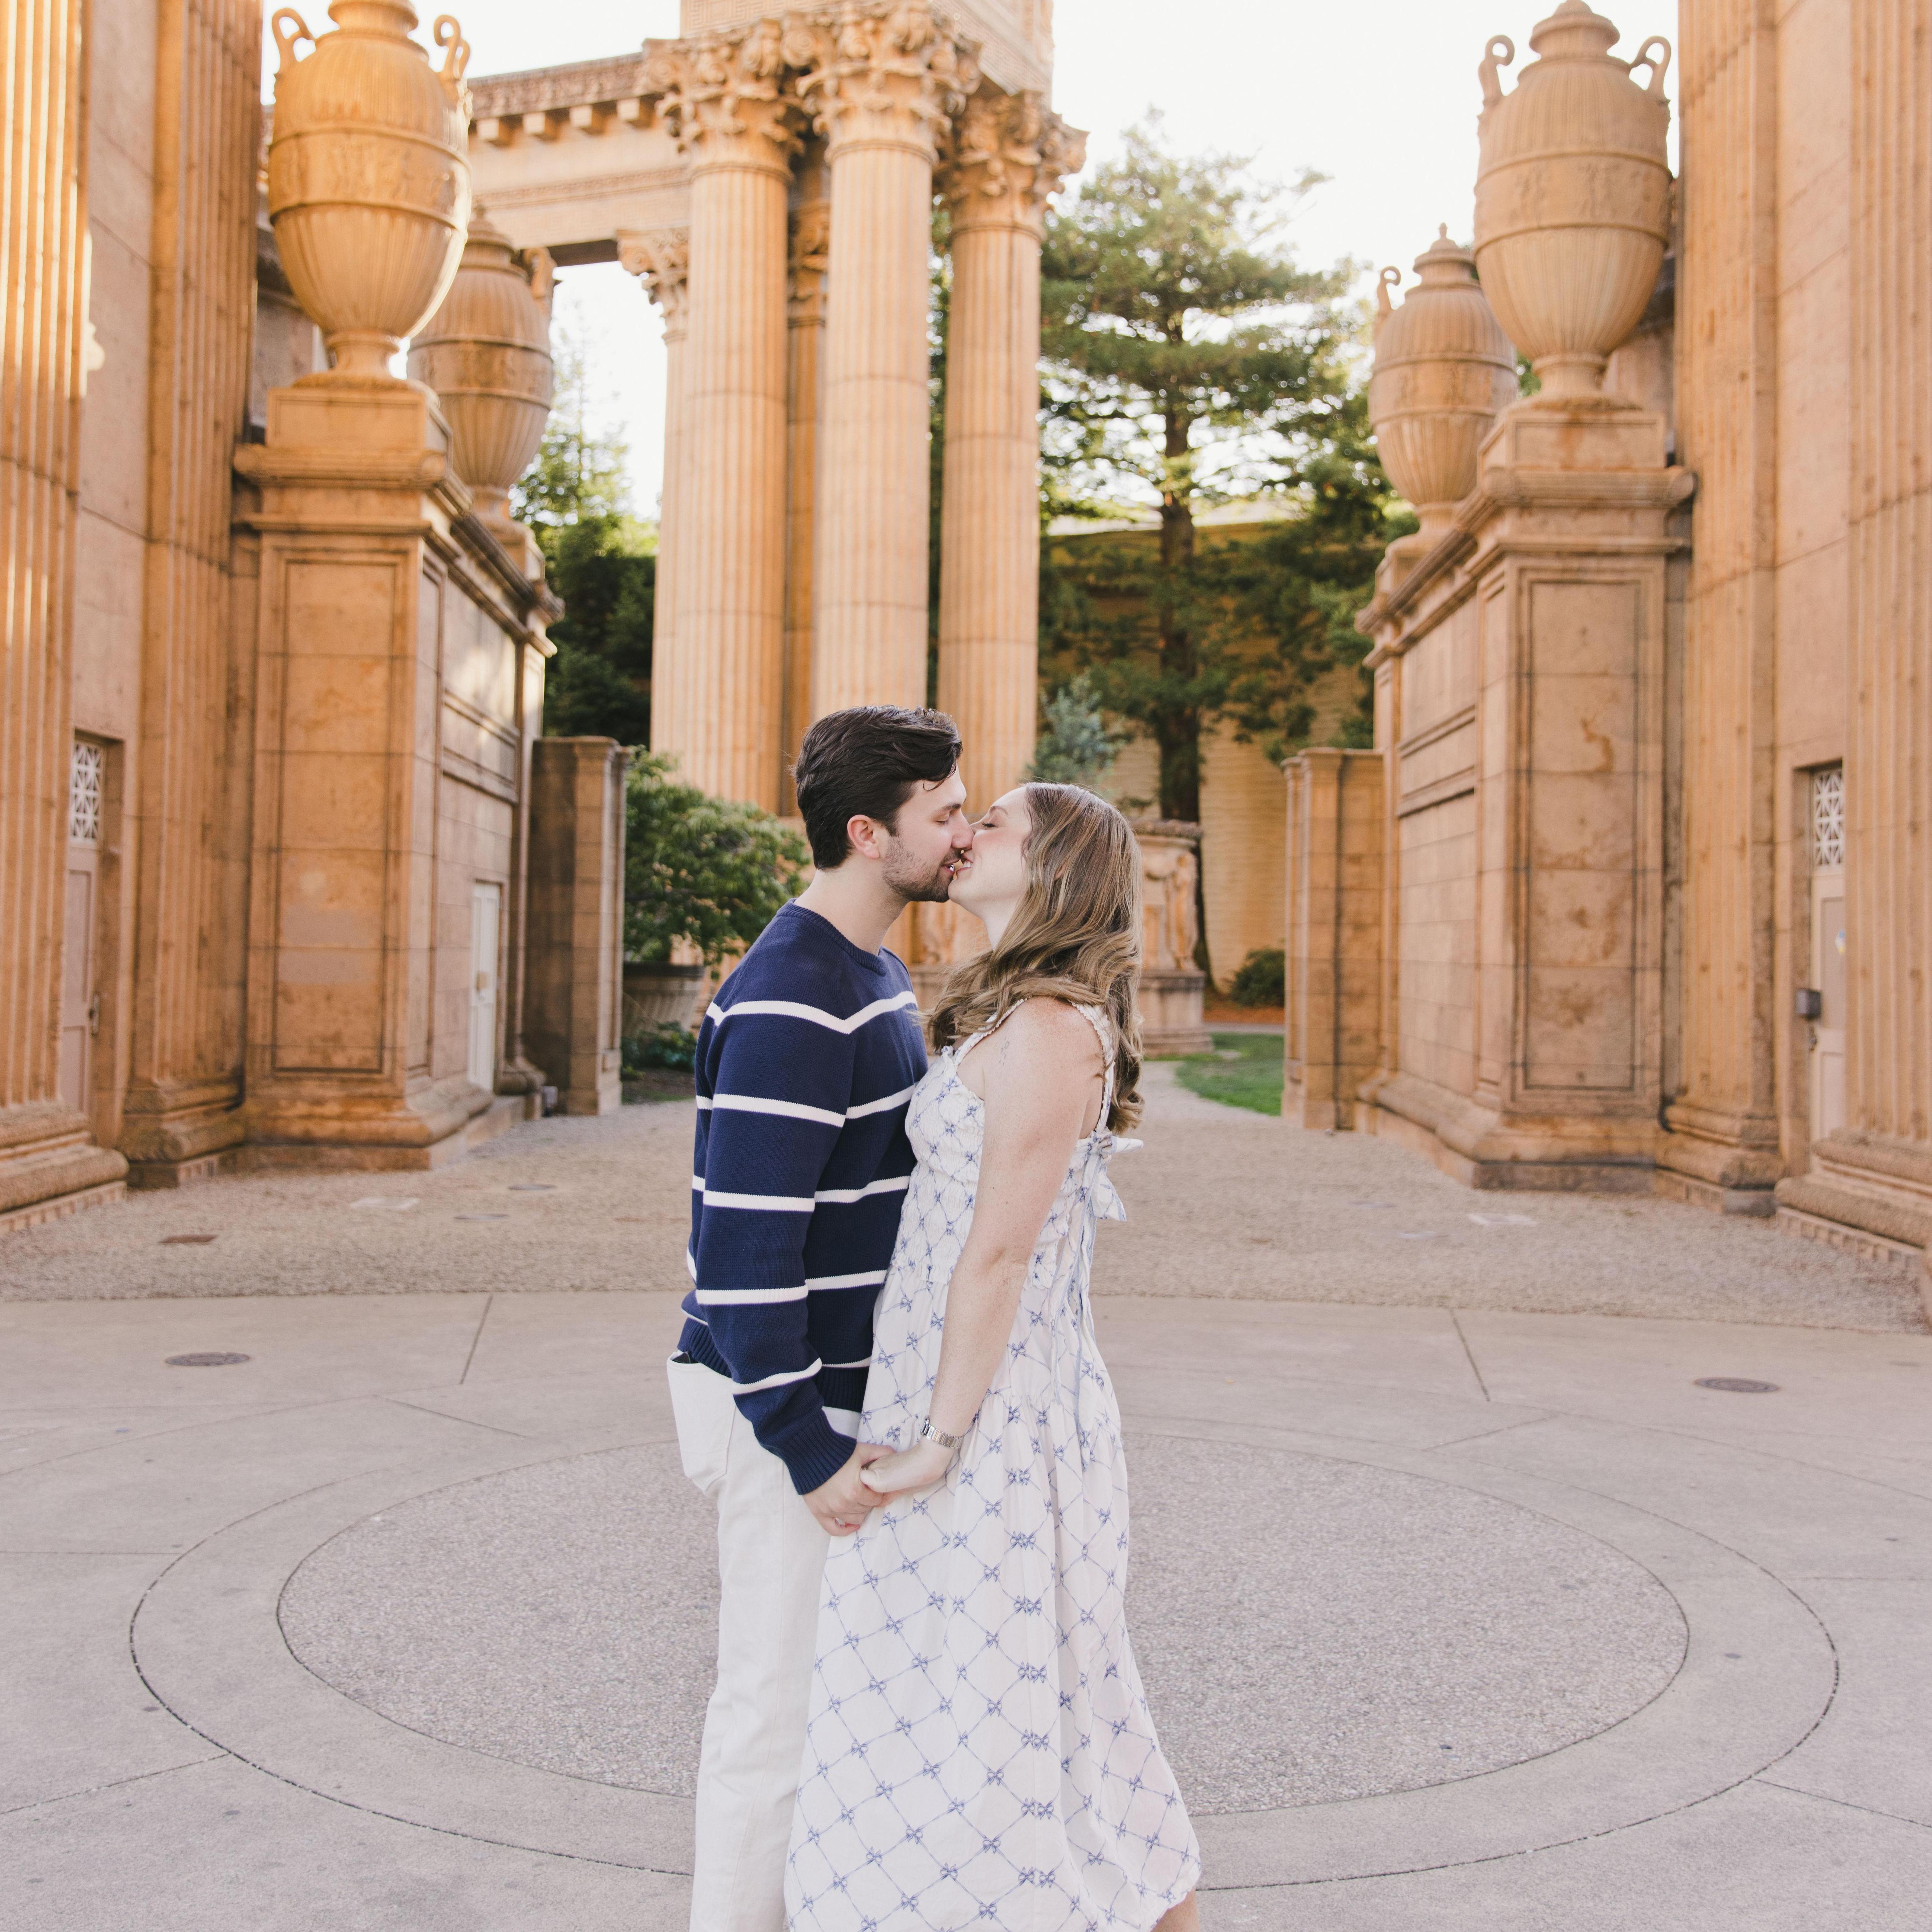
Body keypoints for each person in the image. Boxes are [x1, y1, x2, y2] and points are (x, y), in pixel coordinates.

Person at [786, 783, 1203, 1932]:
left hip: (997, 1417)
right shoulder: (1003, 1018)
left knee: (1020, 1713)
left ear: (1057, 866)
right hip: (939, 1391)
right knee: (992, 1711)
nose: (967, 838)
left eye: (998, 825)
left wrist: (941, 1441)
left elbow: (998, 1256)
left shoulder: (1057, 1031)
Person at [668, 705, 975, 1932]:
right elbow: (742, 1245)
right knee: (772, 1714)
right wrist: (804, 1442)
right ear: (869, 830)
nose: (962, 832)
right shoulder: (797, 988)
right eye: (944, 813)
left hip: (844, 1397)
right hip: (783, 1407)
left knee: (834, 1710)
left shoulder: (873, 971)